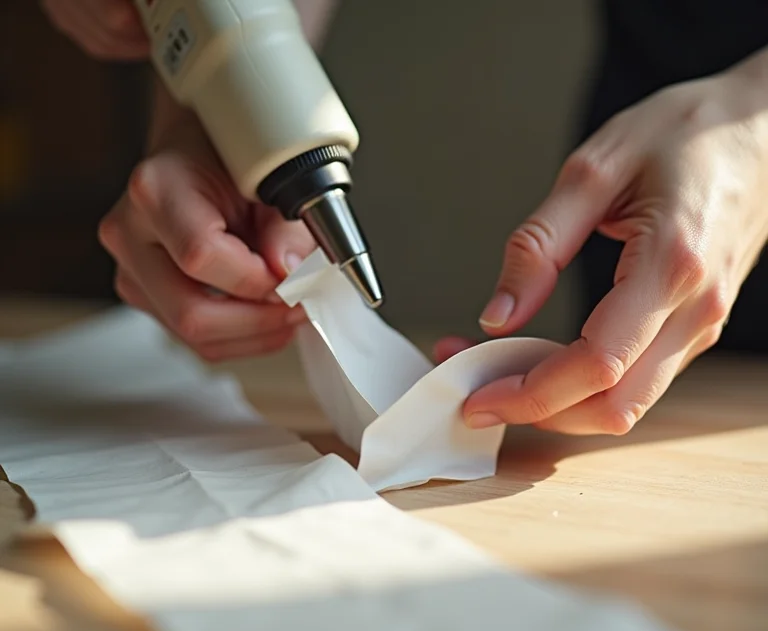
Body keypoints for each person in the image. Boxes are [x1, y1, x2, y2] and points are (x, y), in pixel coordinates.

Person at [42, 0, 768, 438]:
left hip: (693, 169)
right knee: (615, 362)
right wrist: (214, 111)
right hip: (653, 171)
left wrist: (752, 127)